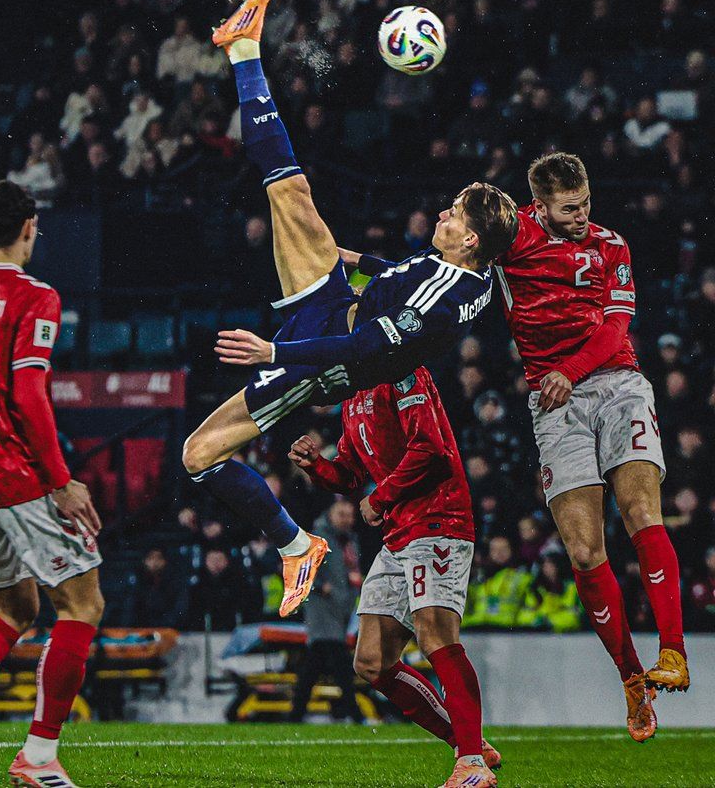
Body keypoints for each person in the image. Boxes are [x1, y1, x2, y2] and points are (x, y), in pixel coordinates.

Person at [181, 0, 518, 618]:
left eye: (454, 214)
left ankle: (295, 544)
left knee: (198, 454)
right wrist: (357, 259)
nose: (442, 213)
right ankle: (243, 48)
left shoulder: (452, 290)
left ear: (470, 238)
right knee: (288, 189)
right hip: (335, 303)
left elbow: (370, 344)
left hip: (323, 355)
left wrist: (275, 349)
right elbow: (401, 280)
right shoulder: (455, 274)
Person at [495, 152, 688, 742]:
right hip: (554, 404)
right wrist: (363, 262)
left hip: (615, 383)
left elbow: (614, 330)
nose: (582, 217)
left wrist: (569, 370)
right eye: (569, 208)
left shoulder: (612, 247)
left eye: (586, 204)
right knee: (583, 551)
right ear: (541, 206)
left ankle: (674, 651)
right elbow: (446, 270)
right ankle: (632, 679)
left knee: (640, 512)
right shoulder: (511, 240)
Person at [289, 367, 500, 788]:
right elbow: (350, 473)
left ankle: (472, 762)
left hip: (440, 520)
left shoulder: (403, 372)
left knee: (436, 635)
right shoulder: (353, 398)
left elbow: (433, 450)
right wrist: (317, 466)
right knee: (370, 661)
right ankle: (468, 744)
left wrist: (380, 497)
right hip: (399, 532)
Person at [0, 180, 104, 787]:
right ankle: (38, 758)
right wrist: (61, 481)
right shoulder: (32, 295)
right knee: (82, 603)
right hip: (12, 475)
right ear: (30, 228)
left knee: (16, 604)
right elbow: (28, 393)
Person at [289, 500, 363, 724]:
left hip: (341, 607)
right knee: (337, 659)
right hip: (322, 608)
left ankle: (296, 714)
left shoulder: (350, 540)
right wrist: (321, 587)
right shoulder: (318, 539)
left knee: (316, 662)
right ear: (330, 515)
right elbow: (301, 570)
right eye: (342, 514)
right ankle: (353, 712)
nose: (347, 519)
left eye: (350, 515)